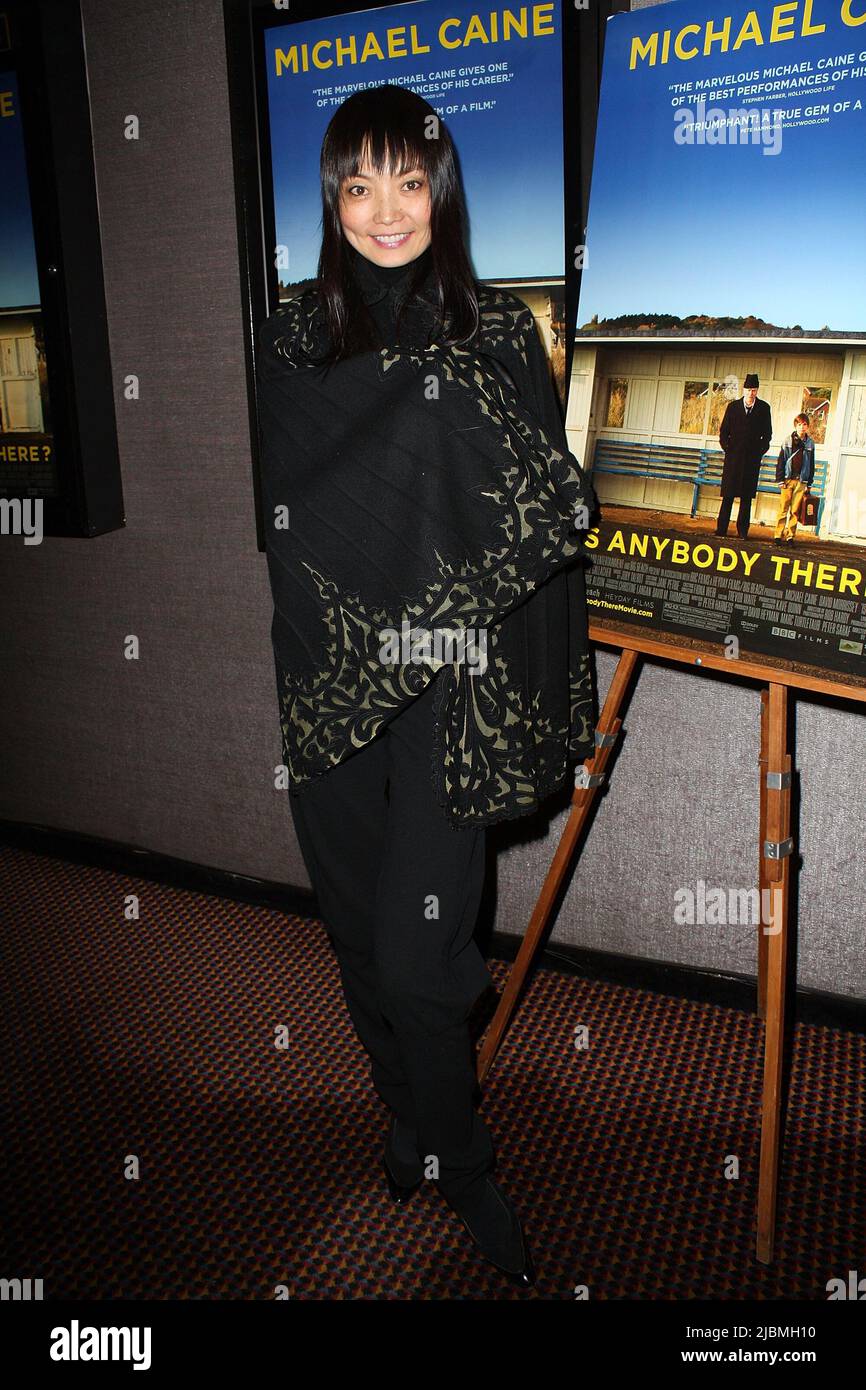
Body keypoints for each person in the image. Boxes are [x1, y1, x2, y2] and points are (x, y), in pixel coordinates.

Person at [256, 83, 597, 1290]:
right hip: (331, 683)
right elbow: (286, 524)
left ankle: (460, 1154)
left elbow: (546, 519)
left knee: (415, 959)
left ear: (440, 189)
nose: (384, 209)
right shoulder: (293, 340)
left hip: (452, 690)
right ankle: (403, 1111)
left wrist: (546, 699)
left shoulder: (500, 334)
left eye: (409, 180)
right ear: (332, 200)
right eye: (359, 184)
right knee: (356, 938)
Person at [715, 373, 772, 538]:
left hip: (751, 461)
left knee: (746, 499)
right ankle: (721, 530)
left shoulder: (764, 408)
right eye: (748, 390)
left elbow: (767, 435)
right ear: (744, 389)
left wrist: (758, 452)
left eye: (754, 390)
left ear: (757, 391)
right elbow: (723, 432)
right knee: (728, 497)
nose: (751, 393)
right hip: (733, 460)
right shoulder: (733, 407)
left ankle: (742, 532)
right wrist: (729, 449)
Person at [774, 413, 814, 543]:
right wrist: (780, 479)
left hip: (801, 481)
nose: (802, 427)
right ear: (795, 426)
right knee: (783, 508)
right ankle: (778, 534)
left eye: (804, 424)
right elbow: (781, 460)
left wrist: (809, 482)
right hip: (787, 479)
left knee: (795, 510)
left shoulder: (810, 443)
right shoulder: (787, 441)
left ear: (807, 426)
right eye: (799, 424)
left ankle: (790, 535)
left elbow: (811, 463)